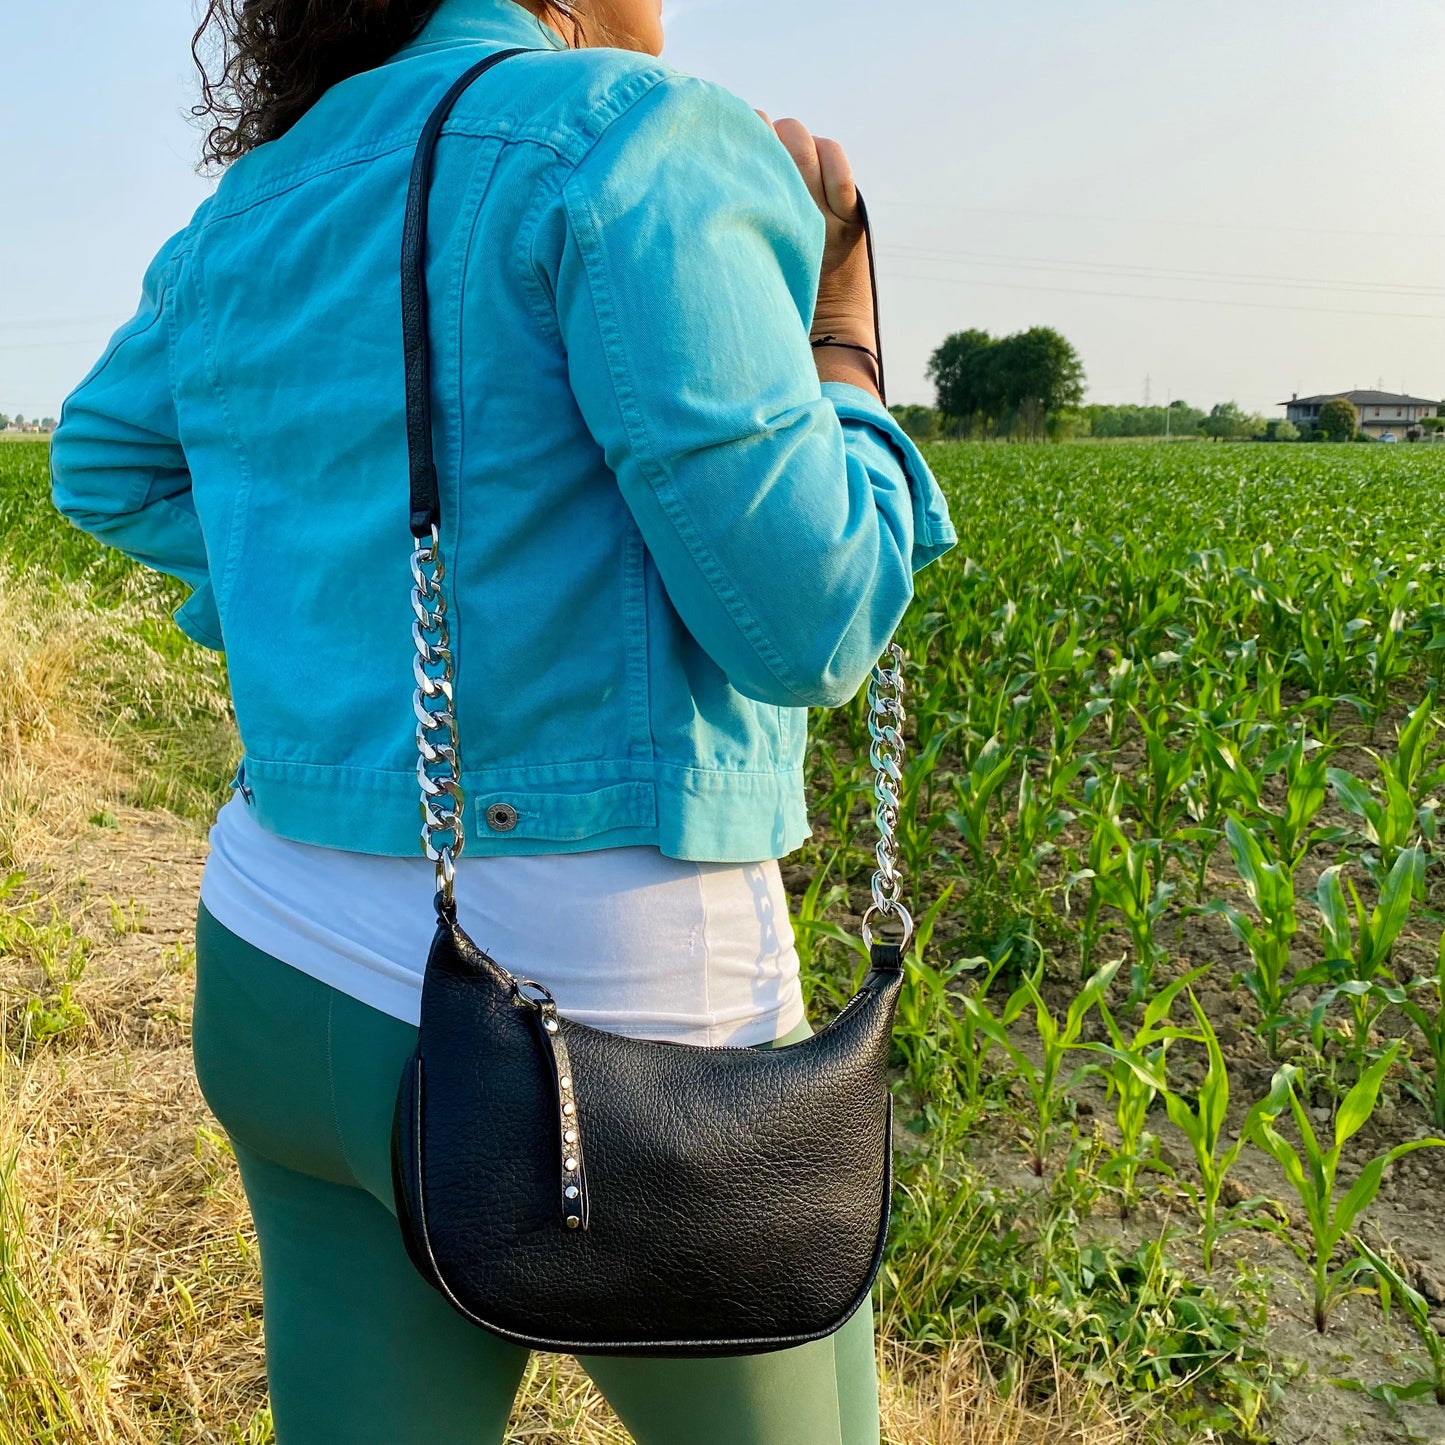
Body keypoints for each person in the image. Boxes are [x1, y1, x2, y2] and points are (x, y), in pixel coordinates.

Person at [49, 1, 956, 1440]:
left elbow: (104, 457)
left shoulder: (263, 197)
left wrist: (313, 610)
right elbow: (814, 618)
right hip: (607, 1008)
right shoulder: (636, 133)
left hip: (281, 956)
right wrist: (841, 326)